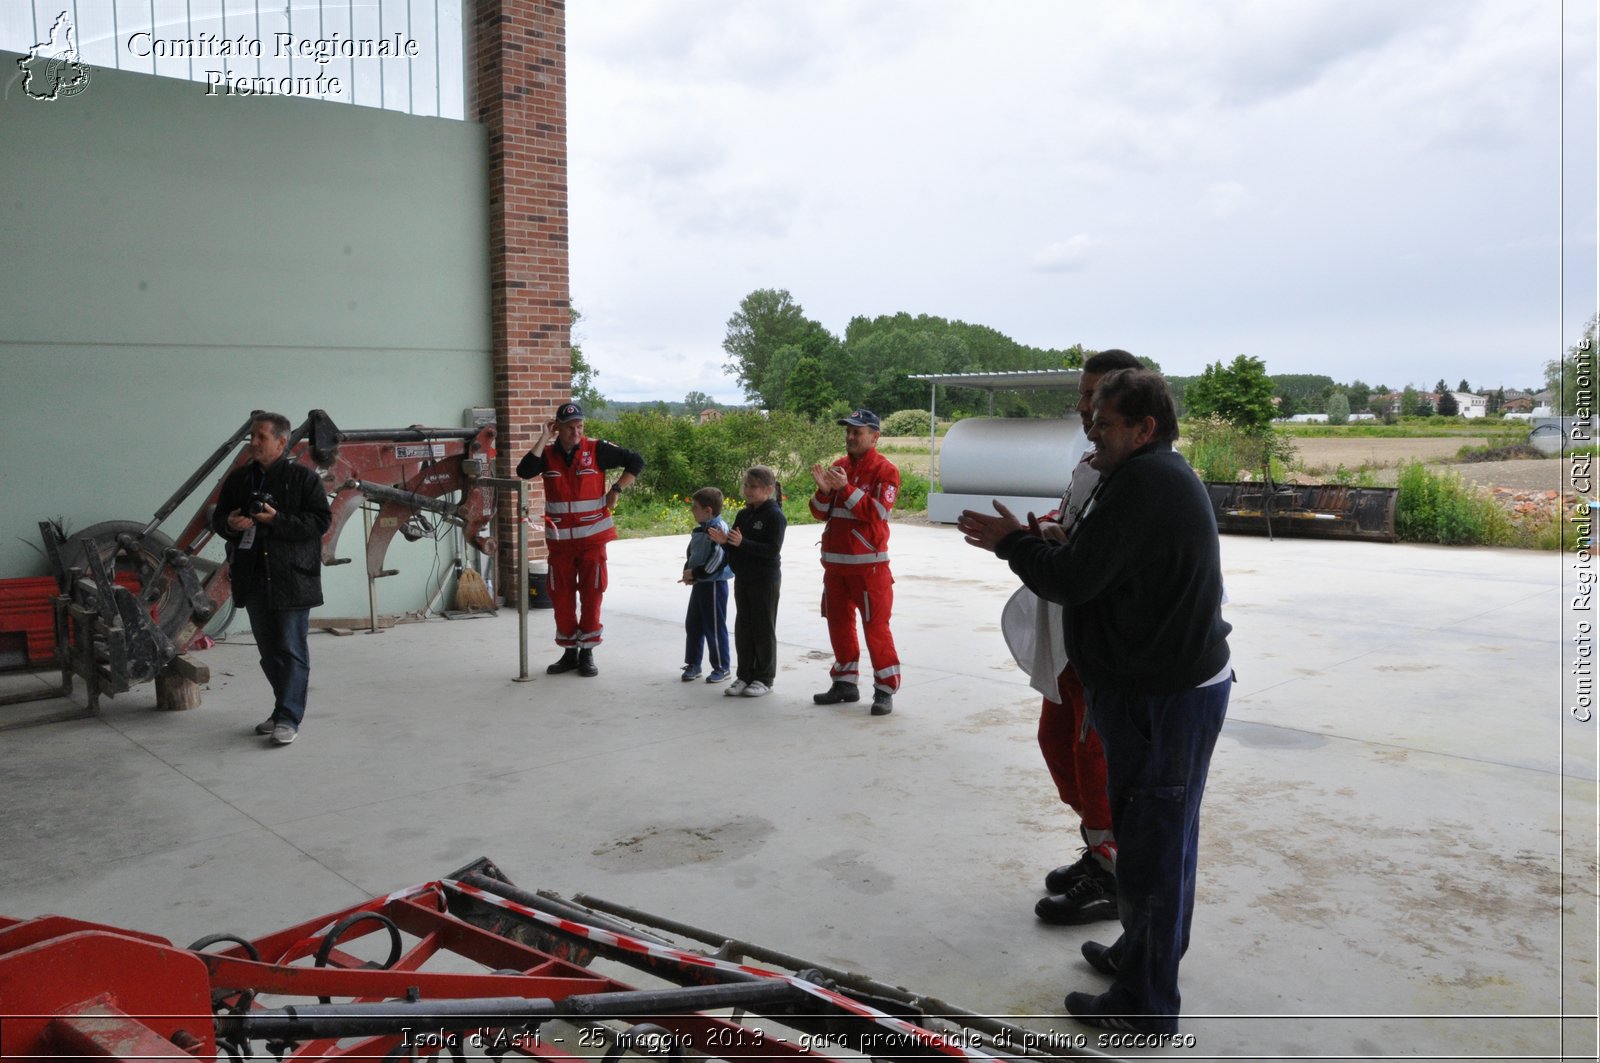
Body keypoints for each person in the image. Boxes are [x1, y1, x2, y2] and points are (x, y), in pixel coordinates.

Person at [958, 369, 1233, 1035]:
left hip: (1164, 699)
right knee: (1154, 844)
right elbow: (1103, 562)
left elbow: (1076, 580)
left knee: (1154, 851)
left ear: (1143, 427)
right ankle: (1139, 956)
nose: (1091, 428)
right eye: (1092, 417)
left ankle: (1145, 1003)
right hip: (1154, 690)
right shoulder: (1142, 475)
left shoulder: (1145, 482)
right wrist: (1052, 541)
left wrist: (1015, 545)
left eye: (1105, 421)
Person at [1019, 349, 1143, 926]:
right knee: (1057, 741)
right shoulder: (1092, 465)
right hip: (1070, 634)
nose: (1083, 407)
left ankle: (1116, 876)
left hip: (1105, 645)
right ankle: (1101, 850)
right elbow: (1077, 523)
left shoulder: (1142, 475)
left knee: (1093, 758)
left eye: (1094, 396)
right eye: (1082, 394)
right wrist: (1050, 529)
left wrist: (1030, 546)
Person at [211, 412, 332, 747]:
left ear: (281, 442)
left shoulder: (302, 479)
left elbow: (320, 523)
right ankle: (282, 709)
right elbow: (219, 519)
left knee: (292, 650)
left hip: (292, 578)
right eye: (252, 436)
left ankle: (289, 717)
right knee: (269, 652)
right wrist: (230, 525)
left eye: (261, 437)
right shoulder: (238, 481)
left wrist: (278, 520)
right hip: (253, 579)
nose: (253, 442)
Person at [516, 402, 644, 677]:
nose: (576, 432)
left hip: (592, 539)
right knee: (560, 597)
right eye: (570, 427)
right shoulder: (547, 454)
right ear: (557, 428)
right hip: (560, 543)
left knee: (591, 595)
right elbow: (524, 472)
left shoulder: (597, 450)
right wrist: (542, 438)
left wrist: (616, 489)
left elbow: (636, 461)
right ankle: (569, 652)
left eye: (579, 426)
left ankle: (587, 653)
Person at [810, 408, 901, 716]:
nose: (850, 436)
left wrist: (844, 489)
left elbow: (877, 513)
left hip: (870, 569)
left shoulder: (886, 470)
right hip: (835, 568)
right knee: (838, 625)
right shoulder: (839, 466)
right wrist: (824, 493)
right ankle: (845, 684)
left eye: (857, 432)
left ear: (874, 437)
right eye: (848, 431)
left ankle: (885, 689)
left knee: (876, 628)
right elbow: (819, 511)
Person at [709, 465, 786, 698]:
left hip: (765, 580)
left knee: (763, 628)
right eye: (746, 486)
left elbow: (772, 550)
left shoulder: (775, 515)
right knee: (744, 627)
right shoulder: (744, 514)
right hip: (744, 577)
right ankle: (744, 675)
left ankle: (764, 678)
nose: (748, 490)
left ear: (768, 489)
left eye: (753, 486)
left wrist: (742, 543)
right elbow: (735, 544)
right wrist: (725, 542)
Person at [680, 487, 733, 684]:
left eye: (695, 507)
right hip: (700, 584)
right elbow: (692, 552)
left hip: (713, 585)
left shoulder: (718, 529)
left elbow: (718, 559)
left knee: (714, 626)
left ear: (708, 510)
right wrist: (688, 571)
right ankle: (693, 664)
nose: (692, 510)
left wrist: (697, 573)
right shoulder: (700, 529)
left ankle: (721, 666)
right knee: (693, 624)